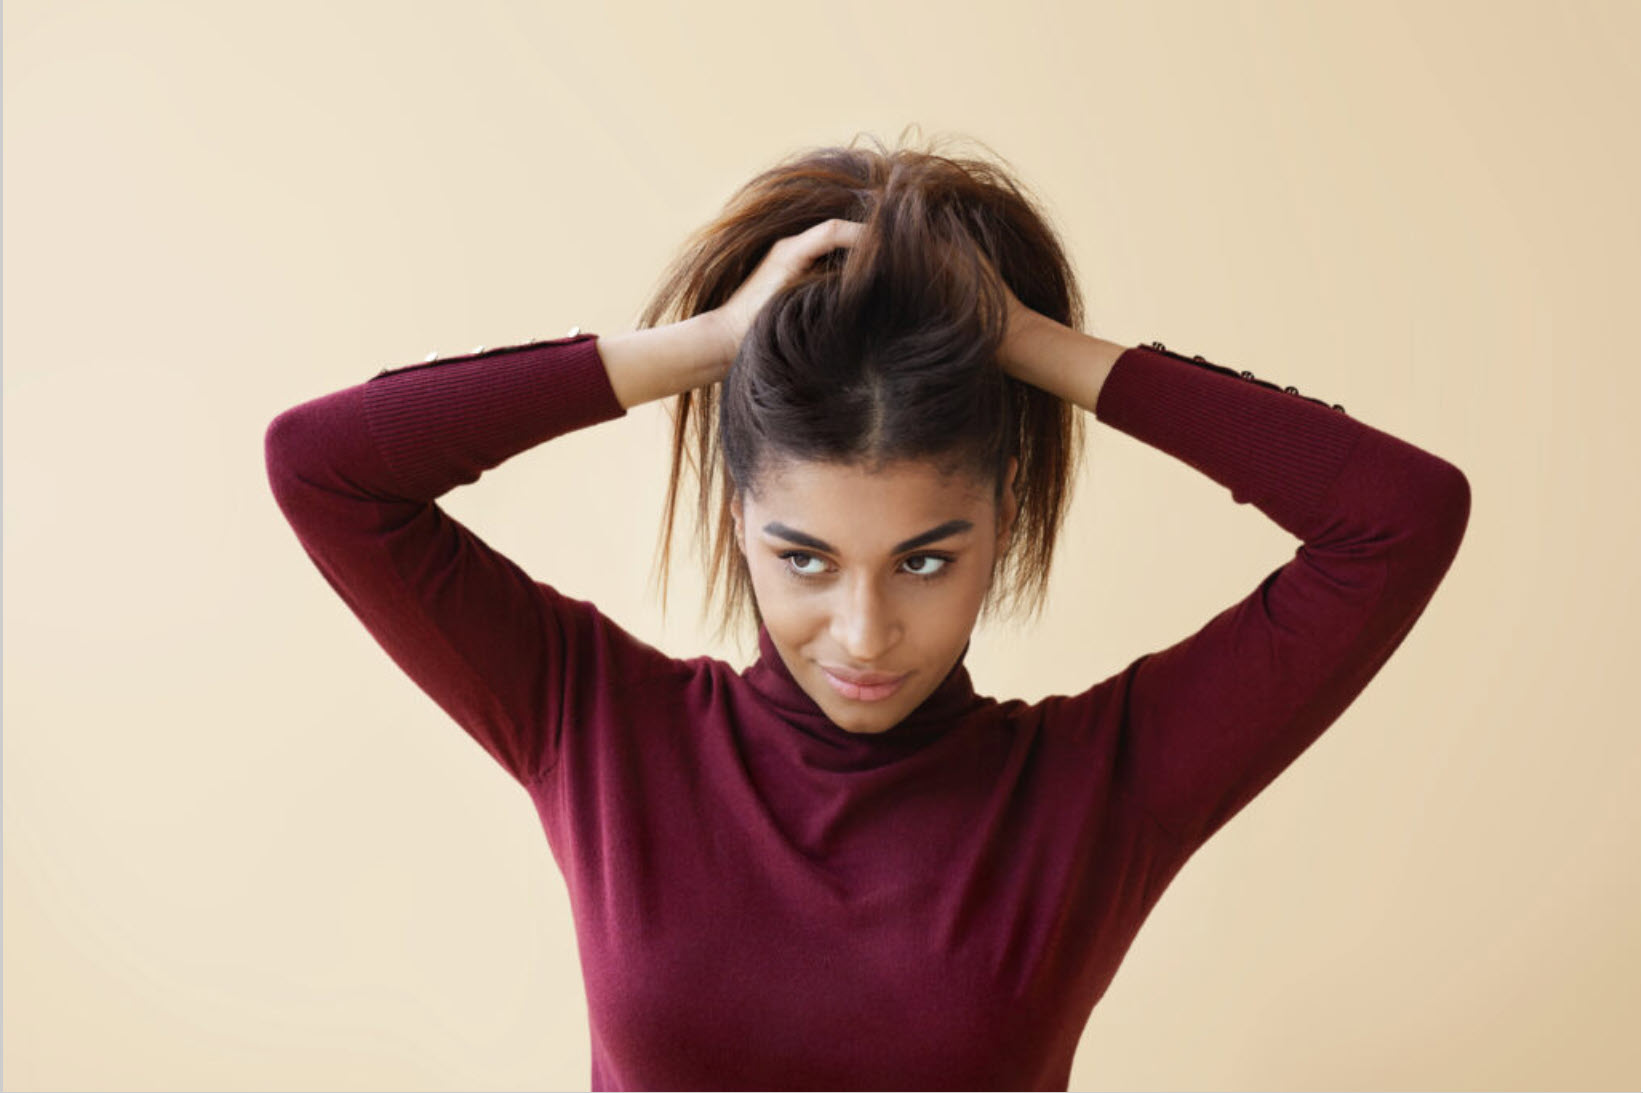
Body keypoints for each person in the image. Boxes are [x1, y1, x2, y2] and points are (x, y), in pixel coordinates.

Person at [264, 133, 1471, 1092]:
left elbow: (1398, 516)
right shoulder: (596, 727)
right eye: (804, 559)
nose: (862, 633)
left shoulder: (1101, 789)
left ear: (1001, 518)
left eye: (923, 564)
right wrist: (708, 344)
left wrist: (1036, 348)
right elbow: (322, 465)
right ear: (740, 516)